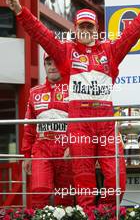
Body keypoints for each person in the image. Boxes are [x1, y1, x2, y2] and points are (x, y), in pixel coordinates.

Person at [6, 0, 140, 209]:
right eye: (81, 26)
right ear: (75, 28)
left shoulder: (110, 51)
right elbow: (41, 34)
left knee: (116, 178)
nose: (85, 30)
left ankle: (108, 213)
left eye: (89, 27)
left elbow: (133, 31)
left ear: (96, 29)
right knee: (83, 181)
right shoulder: (65, 53)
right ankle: (89, 214)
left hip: (104, 122)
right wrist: (21, 12)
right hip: (80, 123)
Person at [22, 52, 73, 209]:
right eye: (48, 63)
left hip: (66, 149)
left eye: (56, 62)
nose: (52, 67)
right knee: (39, 190)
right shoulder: (34, 92)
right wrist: (26, 155)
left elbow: (81, 124)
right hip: (42, 148)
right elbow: (29, 127)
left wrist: (74, 145)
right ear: (44, 66)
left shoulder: (74, 89)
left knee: (65, 197)